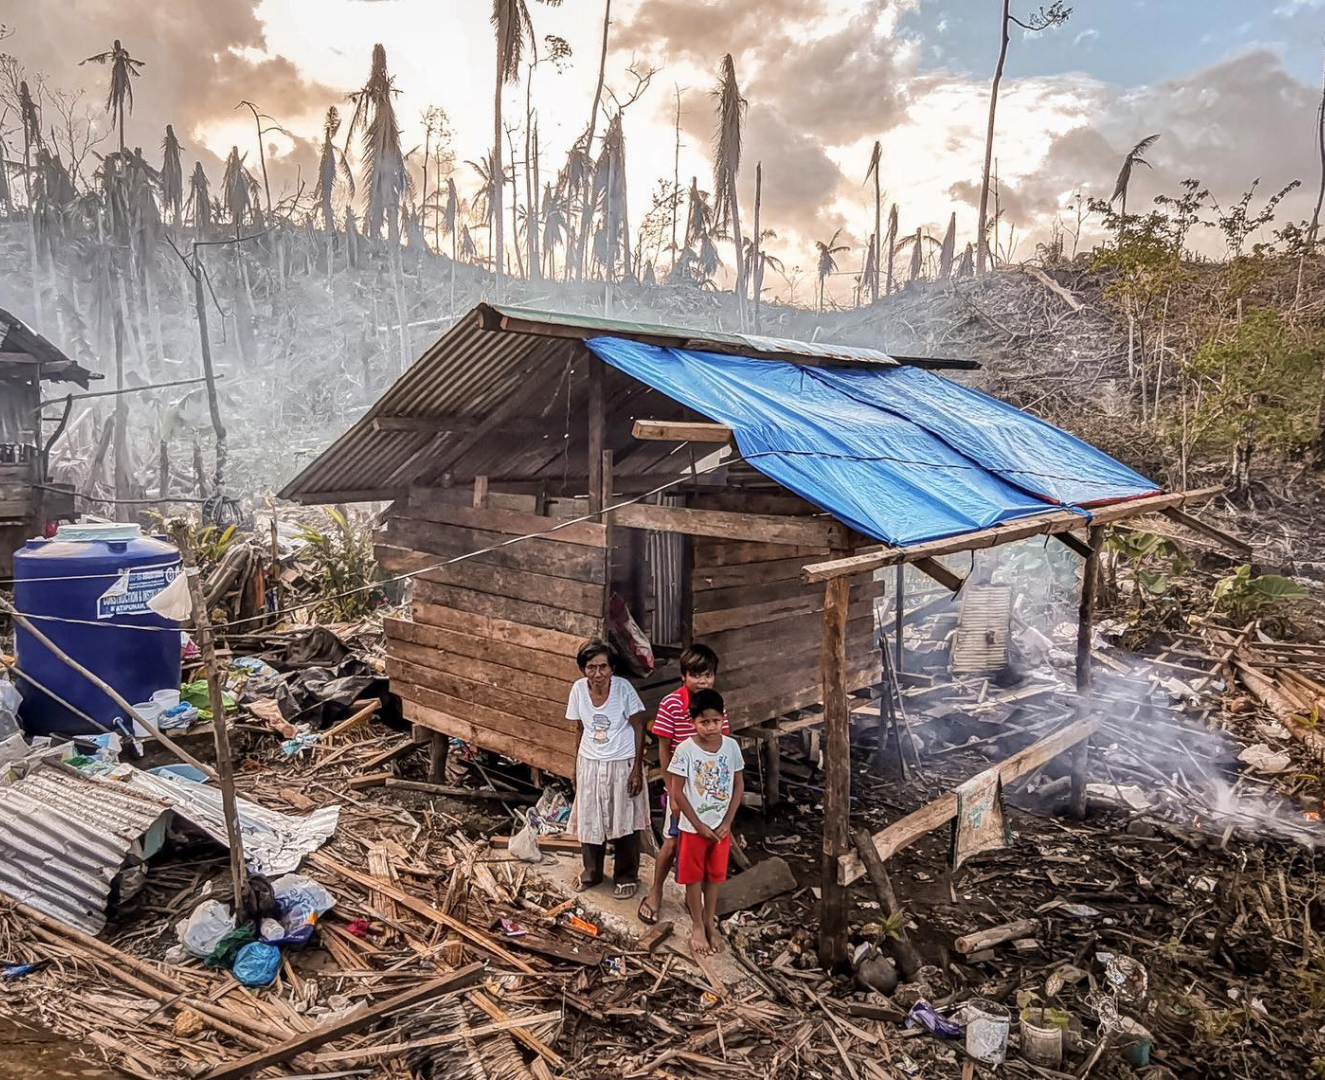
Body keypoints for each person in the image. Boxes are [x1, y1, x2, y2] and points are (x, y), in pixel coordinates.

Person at [637, 644, 728, 925]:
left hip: (709, 790)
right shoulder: (672, 703)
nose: (703, 681)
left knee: (703, 843)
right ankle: (655, 893)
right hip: (682, 787)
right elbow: (664, 749)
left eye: (708, 675)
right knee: (673, 842)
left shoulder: (716, 704)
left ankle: (695, 902)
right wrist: (670, 791)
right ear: (683, 676)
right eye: (697, 675)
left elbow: (724, 745)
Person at [565, 640, 649, 899]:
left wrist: (637, 769)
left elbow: (639, 726)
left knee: (624, 819)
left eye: (603, 667)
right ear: (583, 670)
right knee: (590, 818)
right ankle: (592, 872)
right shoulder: (578, 690)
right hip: (590, 762)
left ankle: (626, 875)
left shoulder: (623, 689)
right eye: (591, 667)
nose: (598, 673)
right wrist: (575, 766)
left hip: (621, 762)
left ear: (612, 669)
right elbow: (580, 728)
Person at [667, 688, 744, 957]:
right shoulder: (685, 751)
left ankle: (710, 921)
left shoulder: (731, 747)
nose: (711, 727)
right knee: (694, 878)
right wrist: (698, 825)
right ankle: (697, 924)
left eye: (715, 721)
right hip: (693, 829)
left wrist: (728, 822)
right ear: (693, 722)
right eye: (704, 722)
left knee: (715, 877)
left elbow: (738, 786)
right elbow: (677, 792)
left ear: (723, 718)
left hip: (721, 828)